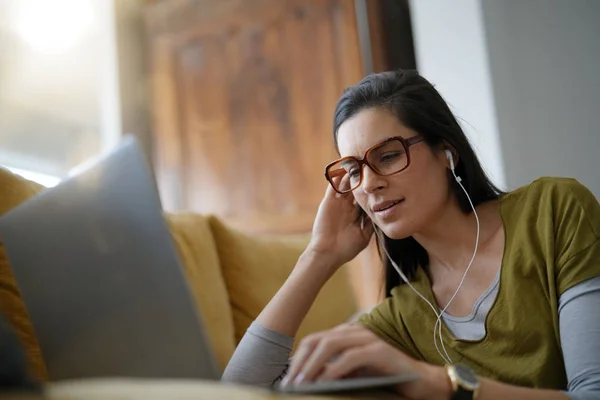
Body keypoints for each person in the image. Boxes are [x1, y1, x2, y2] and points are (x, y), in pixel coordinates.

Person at [222, 69, 600, 400]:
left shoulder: (552, 210)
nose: (369, 184)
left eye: (387, 156)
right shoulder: (403, 316)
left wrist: (439, 384)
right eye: (353, 171)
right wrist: (319, 255)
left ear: (446, 152)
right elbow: (240, 391)